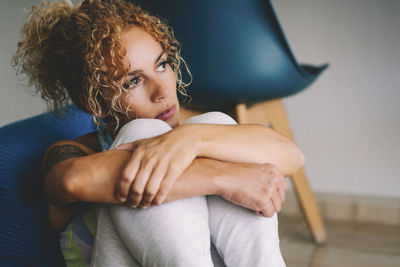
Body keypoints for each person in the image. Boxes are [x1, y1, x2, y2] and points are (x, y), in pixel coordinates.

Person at [13, 0, 305, 266]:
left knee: (213, 122)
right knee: (144, 133)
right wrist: (225, 178)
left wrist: (190, 139)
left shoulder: (196, 134)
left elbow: (291, 156)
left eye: (162, 65)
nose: (162, 90)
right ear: (93, 103)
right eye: (133, 81)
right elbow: (71, 180)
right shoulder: (76, 151)